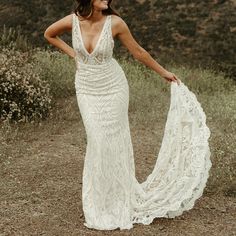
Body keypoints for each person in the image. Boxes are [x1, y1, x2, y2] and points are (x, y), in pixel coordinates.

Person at [44, 0, 212, 231]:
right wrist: (74, 55)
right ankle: (99, 202)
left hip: (114, 88)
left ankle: (117, 198)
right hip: (86, 89)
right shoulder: (73, 20)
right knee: (97, 140)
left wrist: (164, 73)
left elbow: (138, 52)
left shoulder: (115, 23)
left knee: (113, 141)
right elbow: (49, 34)